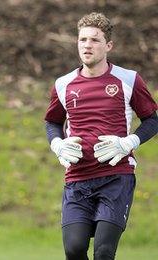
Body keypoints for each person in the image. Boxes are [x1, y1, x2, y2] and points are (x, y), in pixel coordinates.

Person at [44, 12, 158, 260]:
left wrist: (129, 142)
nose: (87, 45)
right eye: (82, 39)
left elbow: (153, 120)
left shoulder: (128, 79)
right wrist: (57, 145)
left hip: (116, 177)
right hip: (77, 179)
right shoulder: (63, 84)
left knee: (104, 252)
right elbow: (52, 121)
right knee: (74, 250)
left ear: (108, 46)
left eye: (95, 40)